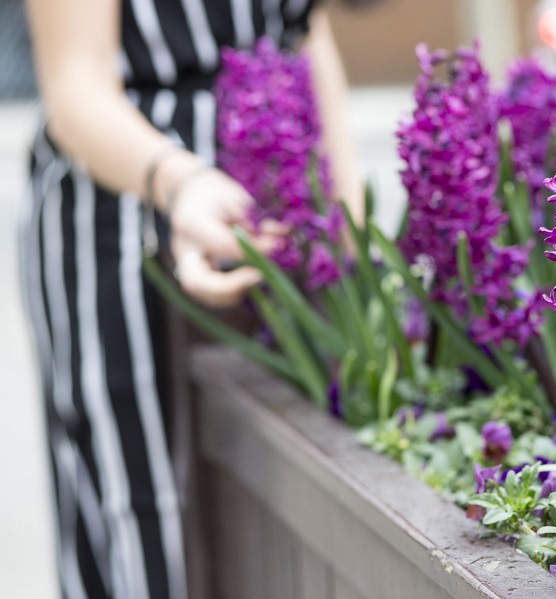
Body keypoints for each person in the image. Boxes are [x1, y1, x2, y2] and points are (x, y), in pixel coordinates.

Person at [20, 0, 362, 597]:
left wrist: (348, 223)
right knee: (154, 519)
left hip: (286, 223)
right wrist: (183, 183)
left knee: (284, 513)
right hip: (129, 221)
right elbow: (75, 85)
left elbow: (307, 32)